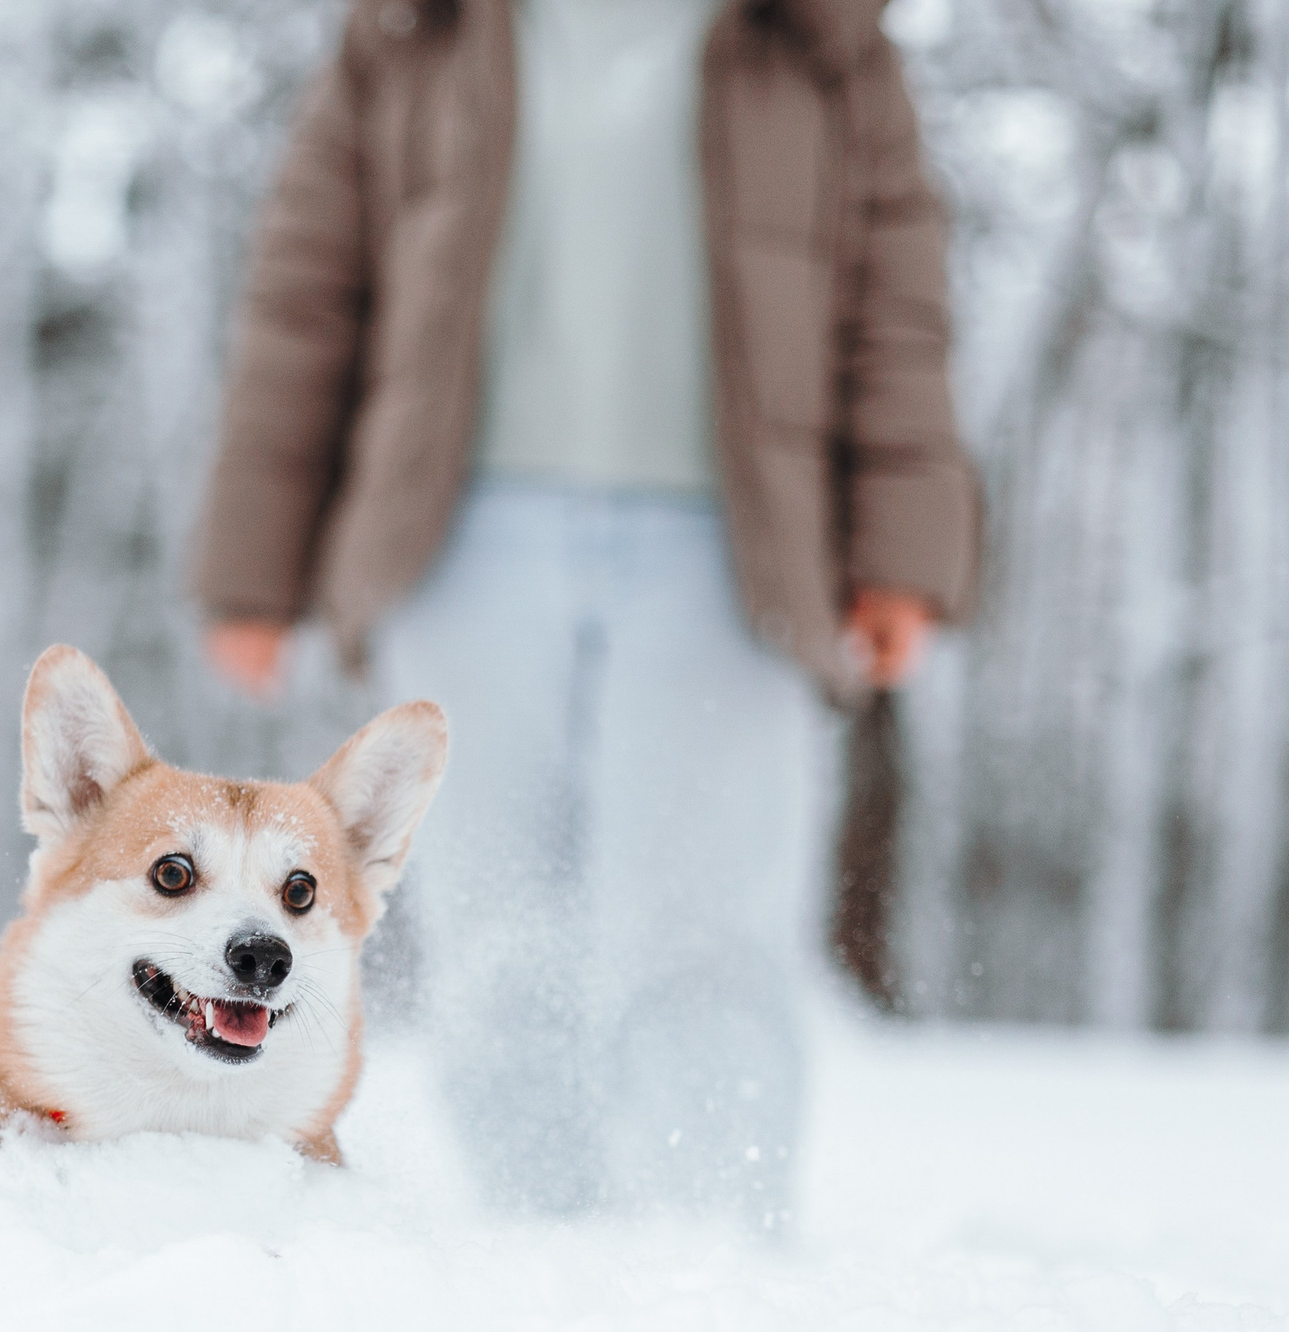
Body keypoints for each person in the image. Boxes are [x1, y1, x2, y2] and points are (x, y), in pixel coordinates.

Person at [187, 0, 977, 1225]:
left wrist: (901, 552)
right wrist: (255, 564)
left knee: (703, 932)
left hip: (735, 553)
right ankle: (543, 1243)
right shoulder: (412, 28)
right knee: (499, 933)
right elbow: (310, 281)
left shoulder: (816, 37)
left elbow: (896, 290)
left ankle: (710, 1250)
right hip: (459, 541)